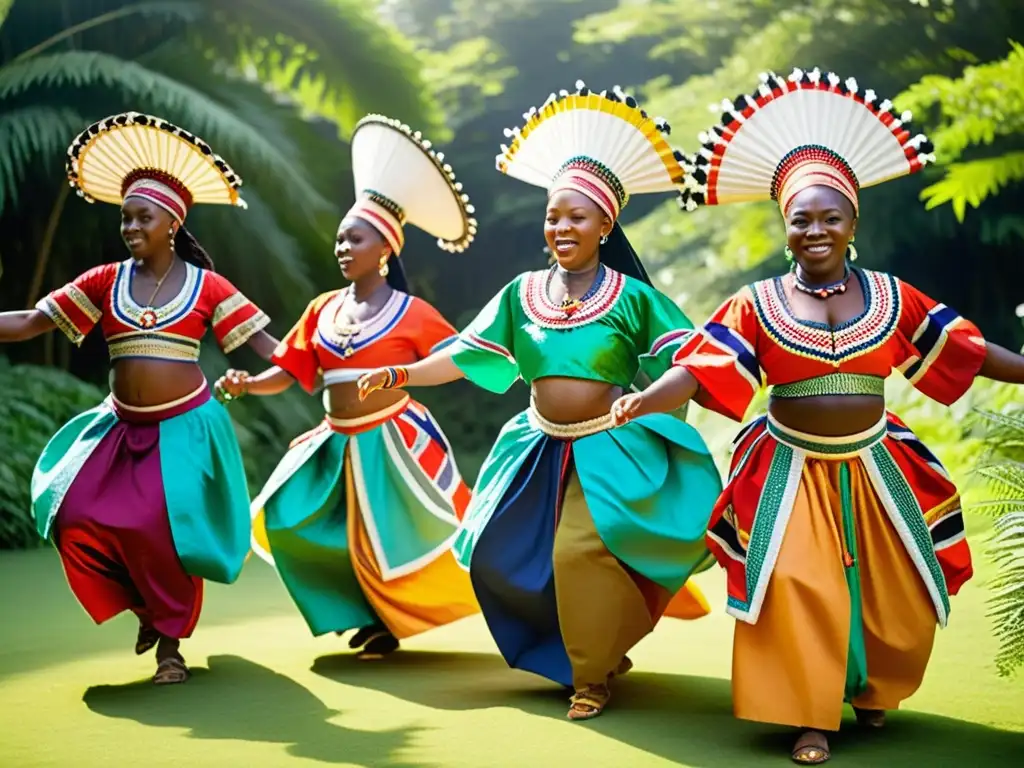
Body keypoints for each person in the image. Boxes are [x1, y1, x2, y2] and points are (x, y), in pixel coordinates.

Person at [609, 68, 1024, 764]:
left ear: (853, 222)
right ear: (785, 228)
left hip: (876, 463)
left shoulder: (893, 296)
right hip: (786, 465)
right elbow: (703, 365)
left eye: (830, 217)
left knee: (893, 590)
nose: (816, 230)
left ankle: (871, 689)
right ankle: (809, 716)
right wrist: (648, 398)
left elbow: (969, 348)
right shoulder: (757, 301)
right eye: (801, 219)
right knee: (799, 585)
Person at [359, 82, 722, 719]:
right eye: (553, 216)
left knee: (579, 553)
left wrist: (656, 408)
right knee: (499, 554)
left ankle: (590, 678)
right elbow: (465, 356)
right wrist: (403, 375)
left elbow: (690, 361)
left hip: (607, 448)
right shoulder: (522, 292)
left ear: (605, 225)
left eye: (576, 217)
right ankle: (590, 648)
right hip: (535, 446)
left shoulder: (632, 297)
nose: (561, 227)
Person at [0, 112, 278, 685]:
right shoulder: (105, 279)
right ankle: (145, 609)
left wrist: (327, 352)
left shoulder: (208, 287)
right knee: (74, 514)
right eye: (124, 217)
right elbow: (30, 321)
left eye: (141, 217)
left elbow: (272, 348)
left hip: (185, 428)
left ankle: (169, 648)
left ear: (170, 223)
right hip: (119, 427)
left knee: (164, 528)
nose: (130, 226)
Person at [215, 115, 479, 660]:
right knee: (292, 521)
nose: (342, 247)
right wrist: (247, 384)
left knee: (395, 540)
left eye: (353, 238)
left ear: (384, 250)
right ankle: (358, 612)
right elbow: (290, 373)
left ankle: (390, 621)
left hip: (393, 442)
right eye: (339, 238)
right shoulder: (323, 308)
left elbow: (460, 360)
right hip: (335, 441)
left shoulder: (413, 313)